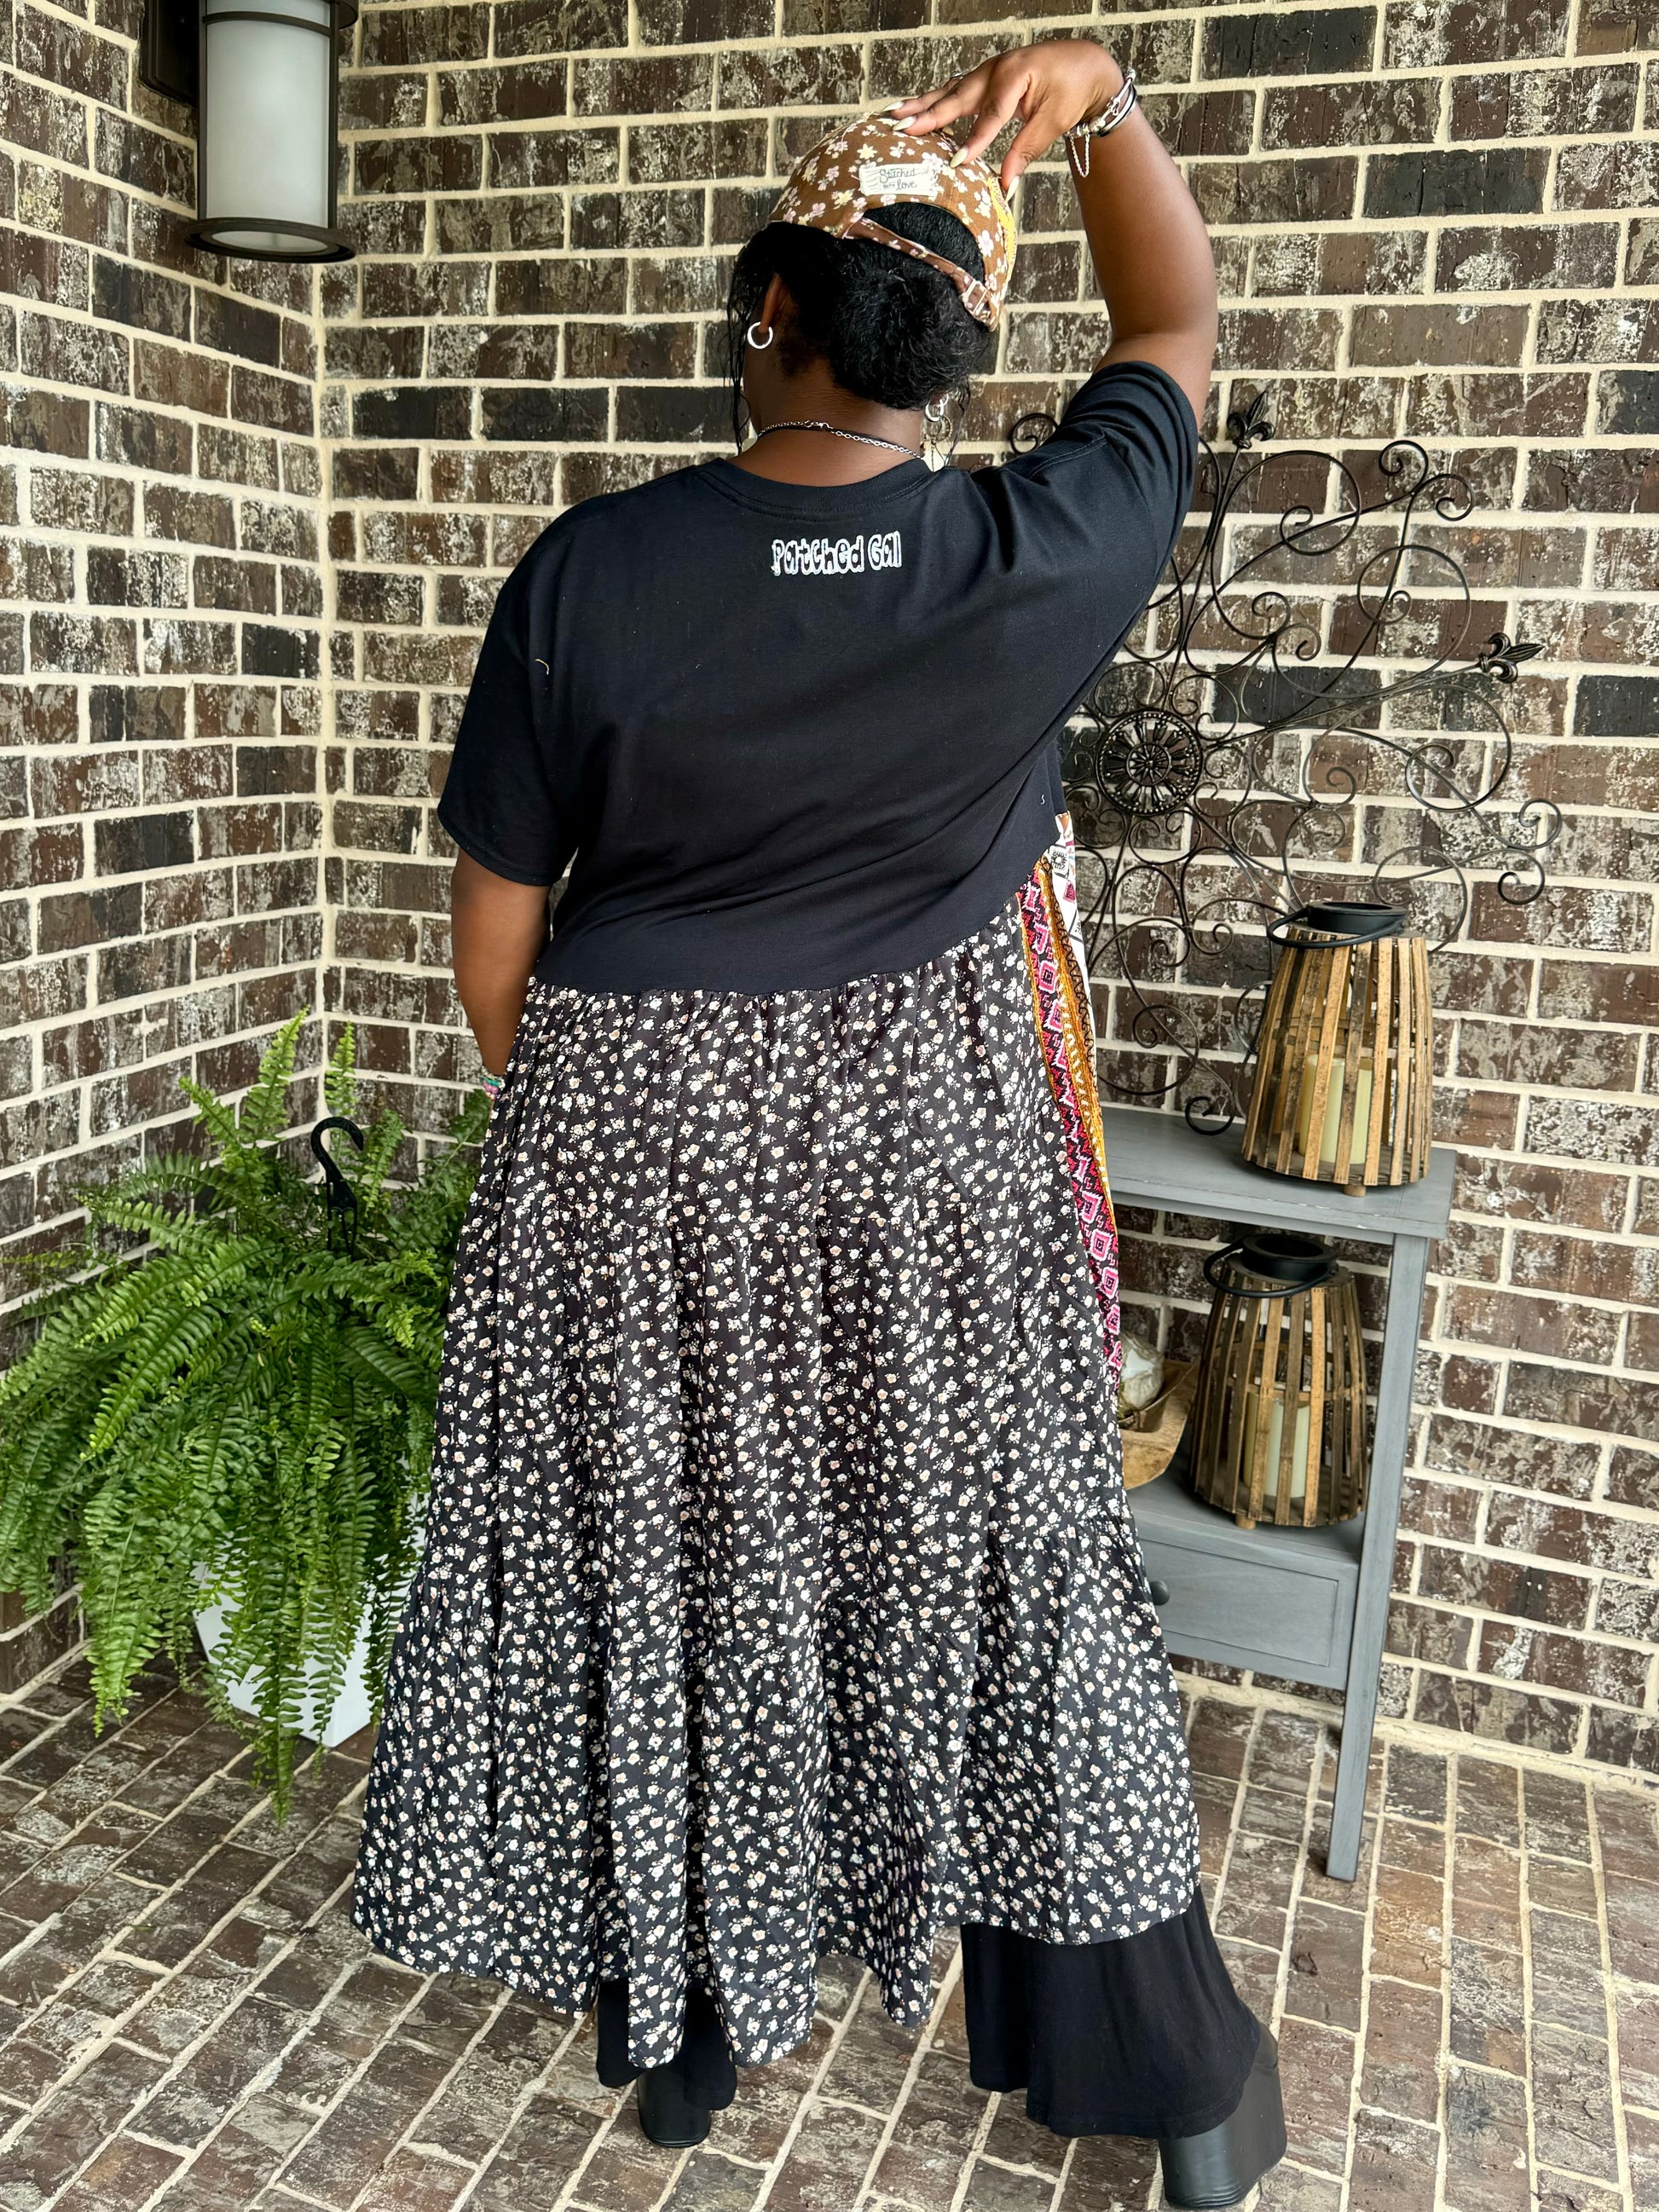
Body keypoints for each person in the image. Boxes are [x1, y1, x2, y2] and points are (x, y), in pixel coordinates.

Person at [351, 37, 1286, 2211]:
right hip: (925, 1171)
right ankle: (1164, 2066)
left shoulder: (589, 574)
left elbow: (495, 959)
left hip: (628, 1146)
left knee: (668, 1561)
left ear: (767, 309)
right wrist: (1098, 101)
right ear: (959, 356)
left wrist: (642, 1131)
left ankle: (682, 2021)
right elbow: (1171, 324)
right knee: (1017, 1575)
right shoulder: (1039, 545)